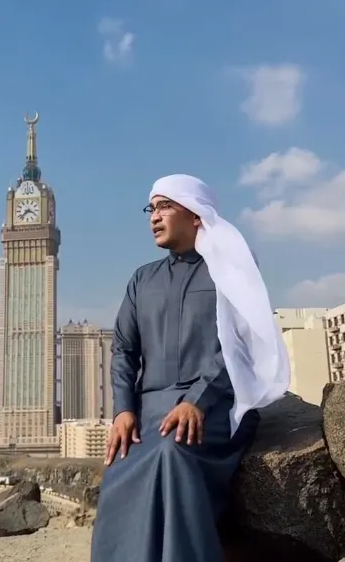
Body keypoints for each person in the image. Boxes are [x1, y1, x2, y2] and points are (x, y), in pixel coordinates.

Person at [90, 174, 289, 562]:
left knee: (173, 452)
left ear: (196, 215)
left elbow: (239, 347)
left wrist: (196, 401)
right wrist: (123, 411)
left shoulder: (229, 270)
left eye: (165, 206)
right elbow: (124, 350)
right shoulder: (142, 279)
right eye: (151, 208)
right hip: (149, 413)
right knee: (118, 468)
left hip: (216, 407)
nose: (154, 216)